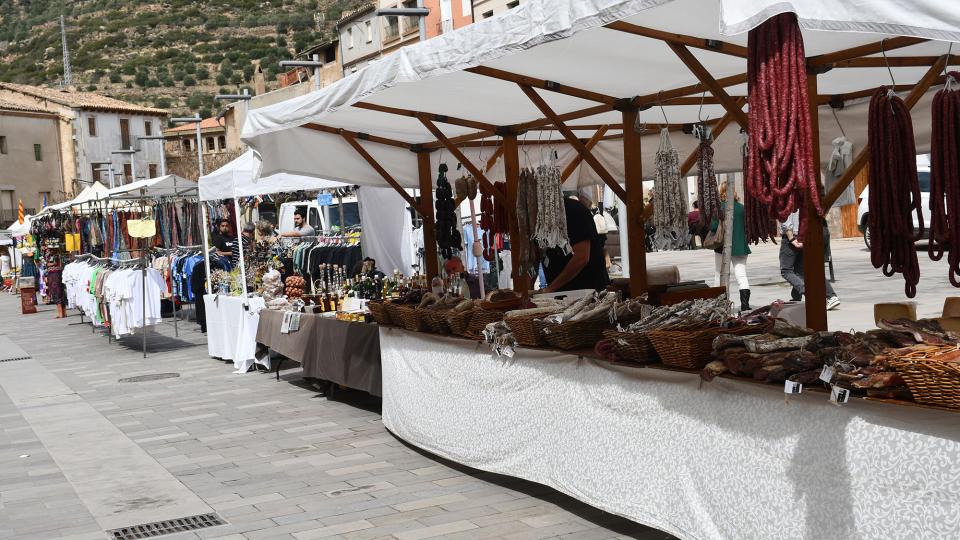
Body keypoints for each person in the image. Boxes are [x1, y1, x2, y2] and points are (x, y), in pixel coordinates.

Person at [542, 192, 611, 293]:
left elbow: (581, 258)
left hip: (587, 291)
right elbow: (533, 258)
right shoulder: (538, 217)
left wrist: (551, 288)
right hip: (559, 293)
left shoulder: (574, 210)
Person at [780, 211, 841, 310]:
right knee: (801, 271)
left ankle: (812, 292)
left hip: (793, 236)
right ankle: (797, 298)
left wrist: (791, 238)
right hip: (806, 235)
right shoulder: (806, 197)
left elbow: (784, 216)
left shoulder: (786, 197)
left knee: (786, 271)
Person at [710, 184, 751, 312]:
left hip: (722, 247)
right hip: (740, 246)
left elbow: (713, 227)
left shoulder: (719, 209)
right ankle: (745, 305)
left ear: (720, 192)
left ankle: (721, 305)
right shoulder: (742, 208)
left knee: (719, 275)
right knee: (742, 276)